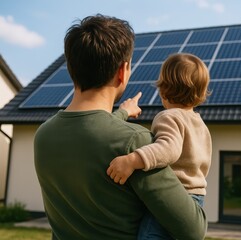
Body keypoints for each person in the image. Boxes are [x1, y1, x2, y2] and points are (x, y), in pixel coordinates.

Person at [34, 14, 207, 240]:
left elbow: (93, 132)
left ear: (71, 68)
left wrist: (123, 113)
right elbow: (193, 229)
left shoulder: (43, 136)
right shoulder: (135, 143)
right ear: (122, 71)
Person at [107, 53, 212, 239]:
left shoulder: (169, 116)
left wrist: (132, 160)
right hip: (196, 197)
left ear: (163, 90)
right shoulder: (199, 123)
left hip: (173, 196)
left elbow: (169, 149)